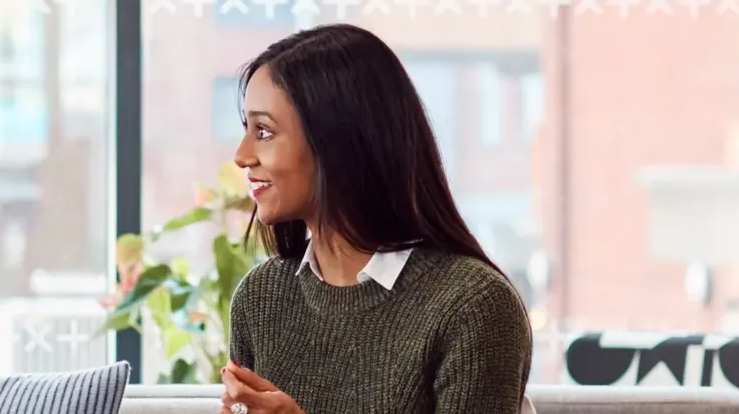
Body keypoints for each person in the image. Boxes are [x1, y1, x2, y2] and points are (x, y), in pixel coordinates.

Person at [219, 24, 534, 414]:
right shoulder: (260, 298)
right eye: (246, 129)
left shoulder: (473, 306)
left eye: (264, 131)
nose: (242, 155)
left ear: (337, 141)